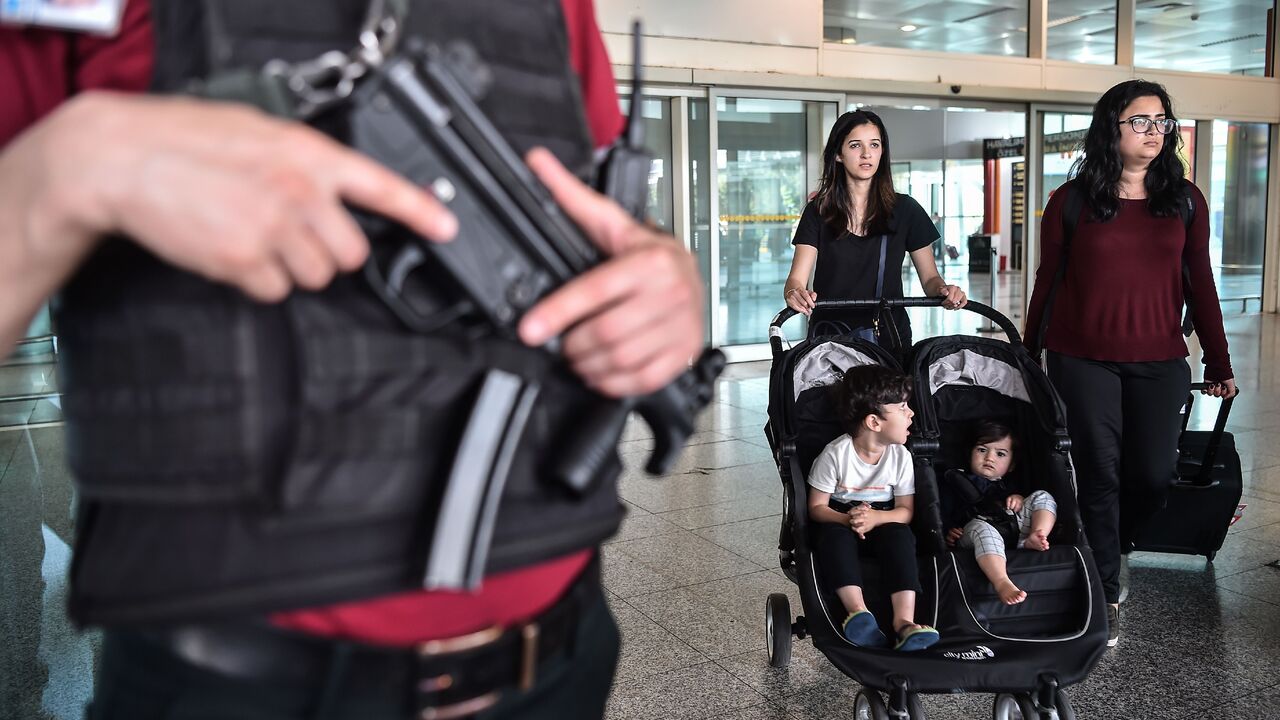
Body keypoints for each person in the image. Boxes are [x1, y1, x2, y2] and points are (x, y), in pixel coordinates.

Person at [0, 1, 706, 717]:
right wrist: (69, 171)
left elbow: (607, 223)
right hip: (238, 688)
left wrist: (666, 272)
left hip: (562, 660)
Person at [1023, 79, 1237, 648]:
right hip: (1082, 357)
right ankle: (1106, 589)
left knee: (1151, 473)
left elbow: (1202, 283)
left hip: (1158, 358)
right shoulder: (1071, 202)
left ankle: (1115, 543)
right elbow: (1049, 279)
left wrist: (1219, 360)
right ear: (1111, 129)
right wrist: (1026, 353)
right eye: (1141, 121)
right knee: (1097, 472)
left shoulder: (1185, 201)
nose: (1154, 132)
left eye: (1162, 122)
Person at [783, 109, 968, 347]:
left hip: (889, 337)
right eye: (855, 146)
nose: (866, 153)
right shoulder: (818, 211)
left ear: (882, 151)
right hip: (830, 339)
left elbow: (931, 278)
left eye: (874, 144)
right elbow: (796, 279)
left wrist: (945, 291)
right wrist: (794, 293)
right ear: (838, 154)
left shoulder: (906, 210)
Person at [806, 365, 940, 652]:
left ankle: (904, 622)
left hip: (885, 518)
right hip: (841, 517)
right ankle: (858, 613)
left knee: (901, 536)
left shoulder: (900, 456)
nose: (911, 413)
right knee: (832, 538)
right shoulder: (835, 455)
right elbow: (817, 507)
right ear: (874, 422)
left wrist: (877, 517)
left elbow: (905, 510)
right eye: (903, 407)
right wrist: (847, 519)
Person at [940, 420, 1057, 605]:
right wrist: (948, 530)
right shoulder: (956, 480)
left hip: (1014, 529)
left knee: (1042, 496)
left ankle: (1037, 534)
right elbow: (942, 511)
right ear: (970, 452)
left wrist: (1019, 497)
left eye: (1000, 454)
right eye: (982, 450)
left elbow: (1026, 501)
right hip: (973, 532)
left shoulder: (1010, 485)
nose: (989, 458)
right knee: (982, 529)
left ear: (1011, 465)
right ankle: (1002, 581)